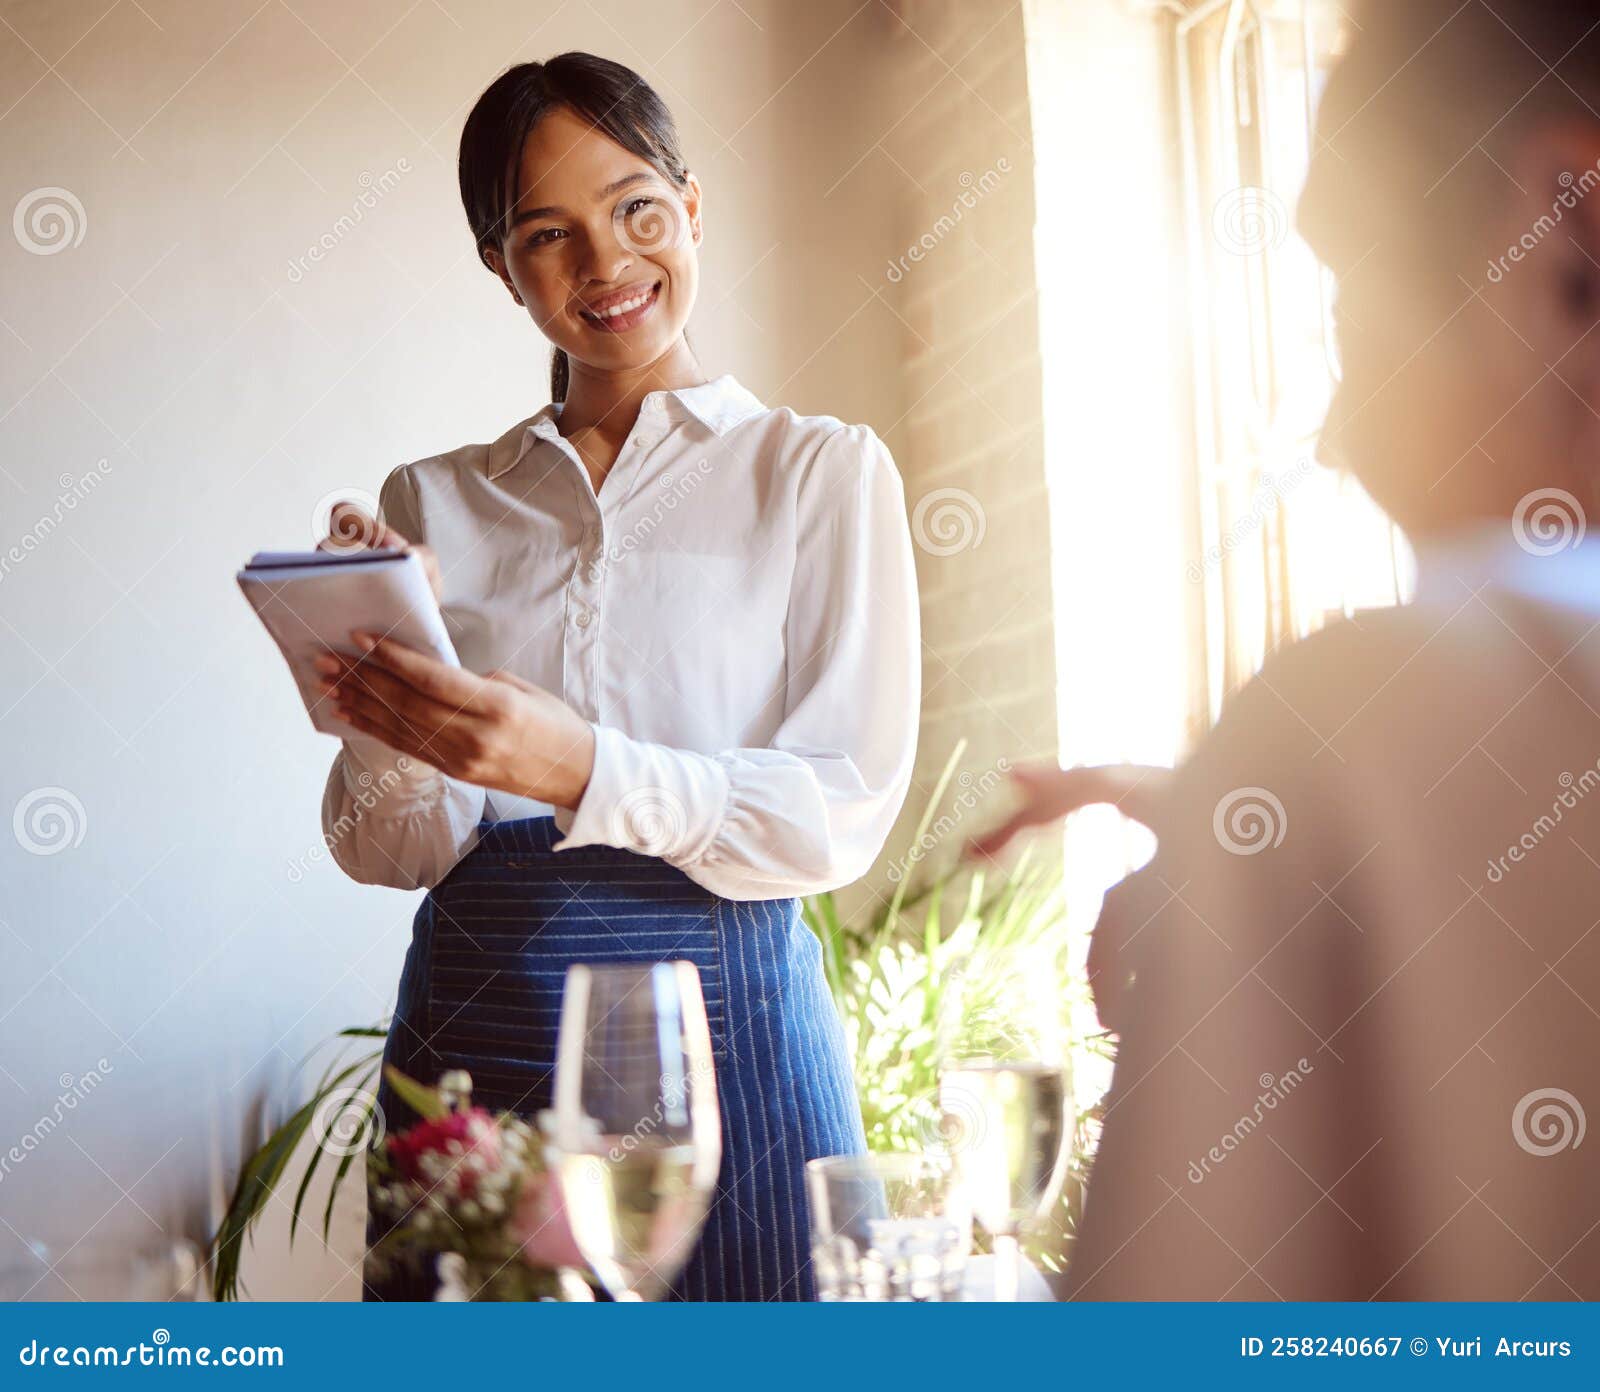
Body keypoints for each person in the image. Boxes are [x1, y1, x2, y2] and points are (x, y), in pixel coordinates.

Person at [976, 1, 1600, 1299]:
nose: (1337, 433)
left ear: (1566, 228)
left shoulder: (1377, 720)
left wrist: (1327, 817)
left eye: (1350, 292)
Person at [314, 52, 919, 1301]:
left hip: (730, 1024)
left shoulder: (818, 473)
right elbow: (387, 850)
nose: (605, 263)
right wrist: (381, 712)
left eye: (637, 208)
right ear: (500, 265)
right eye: (549, 232)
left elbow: (839, 809)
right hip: (481, 1028)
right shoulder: (433, 502)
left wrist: (572, 765)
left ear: (691, 210)